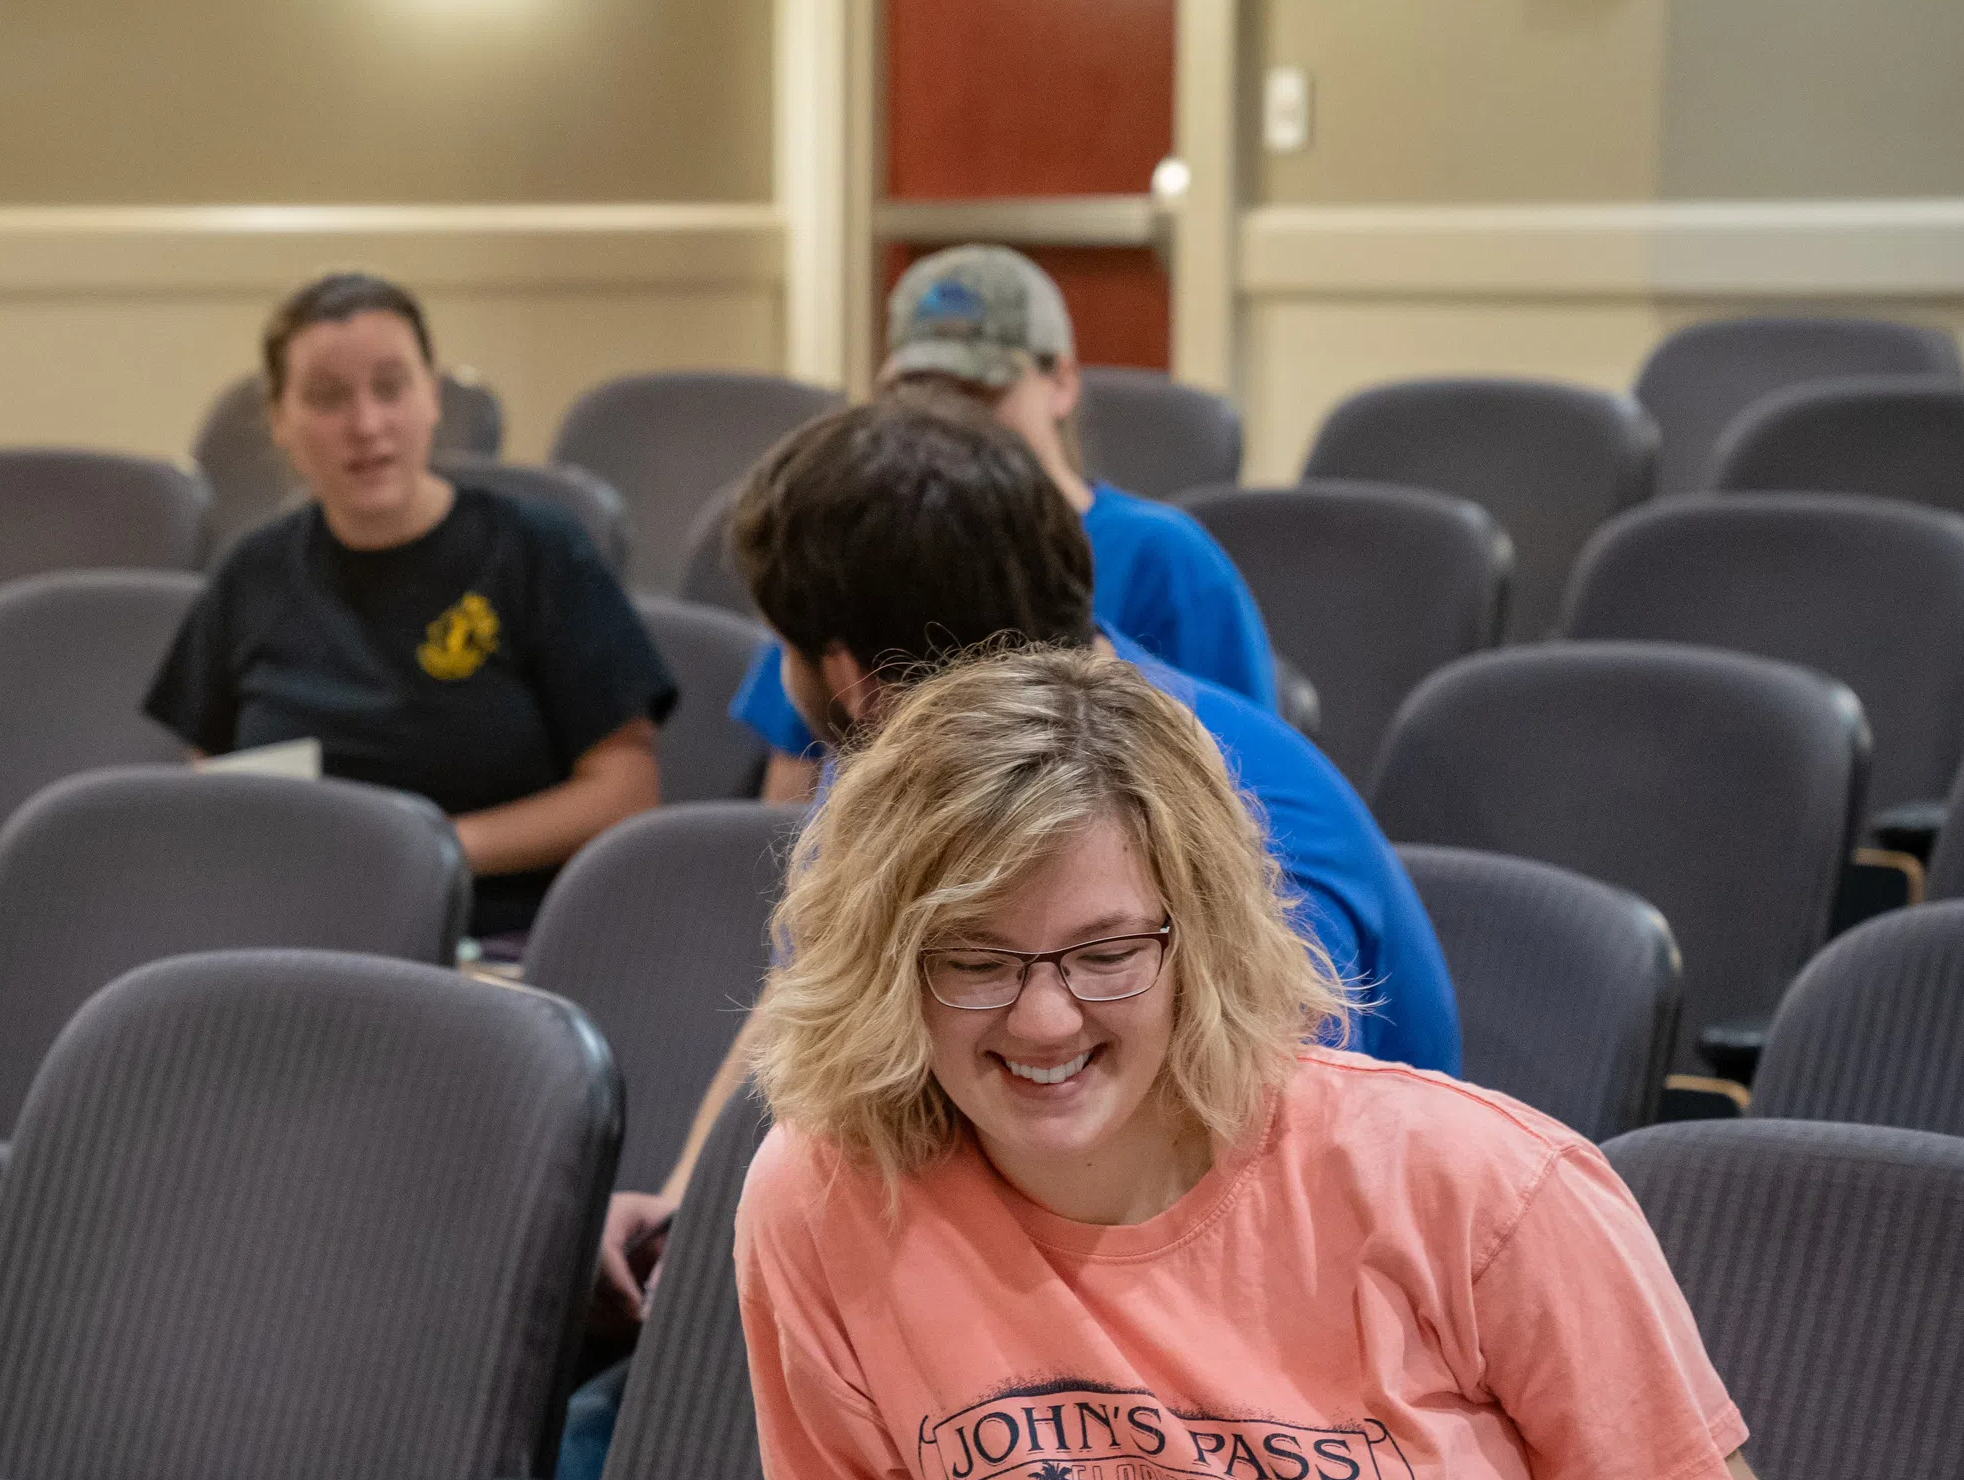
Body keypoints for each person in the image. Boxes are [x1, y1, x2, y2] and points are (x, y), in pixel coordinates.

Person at [735, 647, 1939, 1480]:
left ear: (1195, 935)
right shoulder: (826, 1202)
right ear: (885, 957)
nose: (1042, 1019)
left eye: (1103, 953)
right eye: (975, 957)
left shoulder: (1468, 1182)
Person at [598, 387, 1453, 1321]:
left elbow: (1270, 1212)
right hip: (988, 1262)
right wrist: (689, 1200)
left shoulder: (1227, 826)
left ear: (852, 680)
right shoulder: (895, 774)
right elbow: (807, 1000)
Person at [144, 271, 673, 944]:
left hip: (494, 937)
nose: (367, 425)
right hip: (293, 932)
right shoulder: (253, 573)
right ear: (280, 419)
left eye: (391, 388)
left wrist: (426, 851)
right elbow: (211, 780)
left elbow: (625, 790)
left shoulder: (537, 552)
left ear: (432, 397)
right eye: (328, 399)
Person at [727, 244, 1279, 801]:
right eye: (919, 391)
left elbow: (1235, 782)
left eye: (979, 390)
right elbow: (791, 794)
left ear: (1061, 382)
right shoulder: (856, 544)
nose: (948, 416)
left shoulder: (1164, 557)